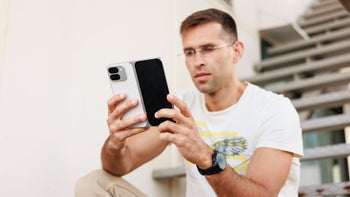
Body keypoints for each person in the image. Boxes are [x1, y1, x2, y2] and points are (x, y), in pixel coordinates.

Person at [75, 8, 303, 197]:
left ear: (236, 51)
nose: (197, 61)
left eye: (208, 49)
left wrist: (205, 157)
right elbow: (120, 166)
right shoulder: (181, 105)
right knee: (92, 183)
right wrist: (116, 143)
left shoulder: (274, 109)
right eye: (189, 52)